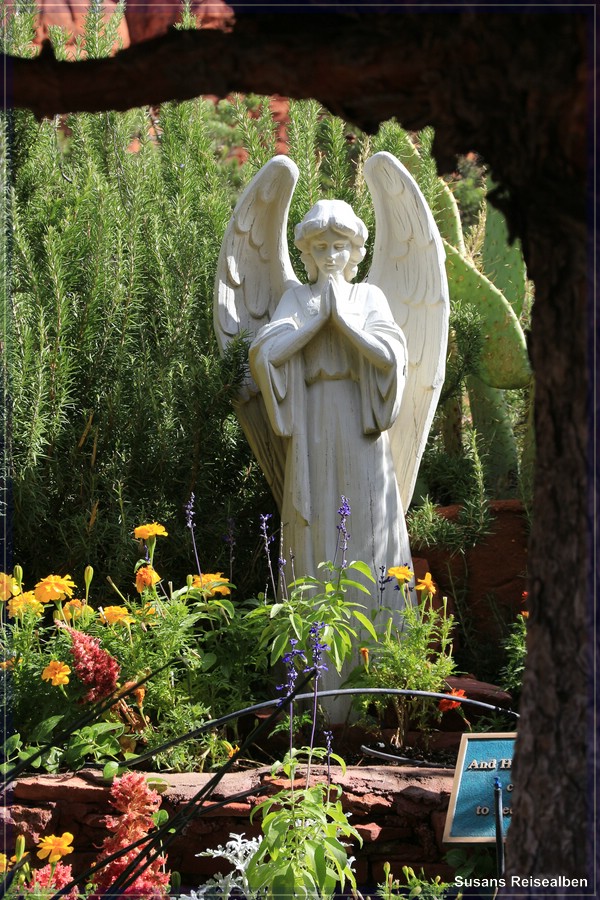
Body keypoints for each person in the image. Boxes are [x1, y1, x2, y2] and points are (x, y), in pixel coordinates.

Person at [249, 199, 413, 599]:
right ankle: (313, 623)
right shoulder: (297, 300)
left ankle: (377, 622)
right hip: (313, 419)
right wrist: (319, 320)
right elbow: (266, 355)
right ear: (307, 253)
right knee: (319, 514)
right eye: (321, 247)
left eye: (339, 247)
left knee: (366, 510)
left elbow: (392, 356)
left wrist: (343, 323)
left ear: (354, 251)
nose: (330, 256)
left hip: (360, 427)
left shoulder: (368, 297)